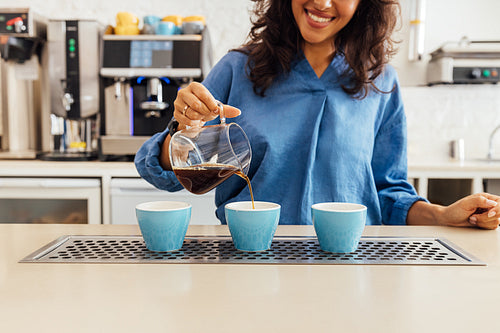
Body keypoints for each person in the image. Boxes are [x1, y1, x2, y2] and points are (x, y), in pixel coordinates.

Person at [135, 0, 500, 229]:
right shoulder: (237, 69)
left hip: (354, 266)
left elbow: (388, 194)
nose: (322, 3)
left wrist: (441, 214)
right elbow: (160, 165)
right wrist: (181, 131)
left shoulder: (380, 82)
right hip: (248, 261)